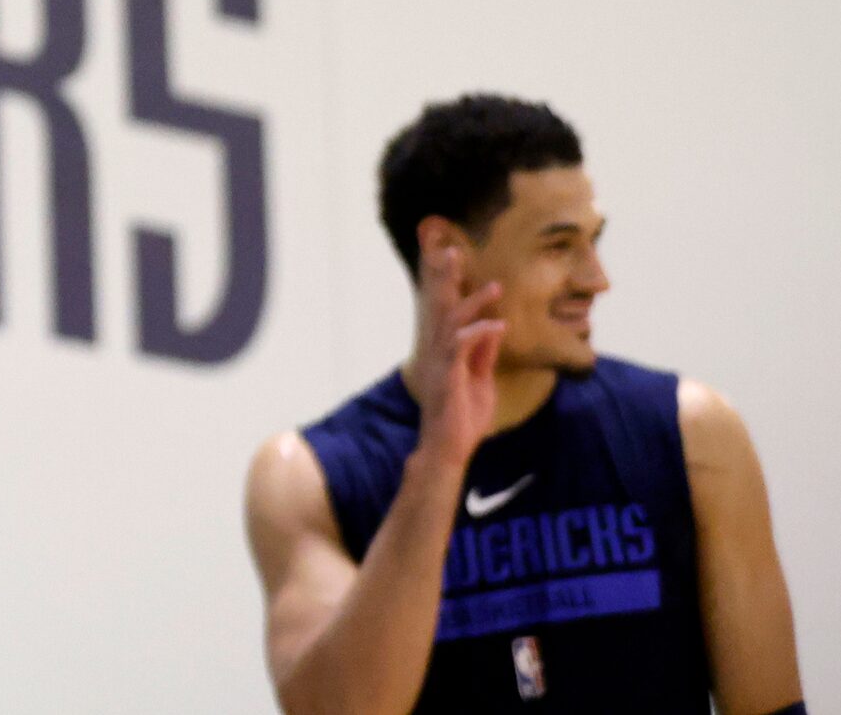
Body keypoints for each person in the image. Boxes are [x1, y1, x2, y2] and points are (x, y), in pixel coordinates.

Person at [244, 94, 805, 713]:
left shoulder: (693, 434)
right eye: (559, 245)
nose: (596, 278)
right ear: (444, 251)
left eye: (593, 240)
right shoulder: (308, 476)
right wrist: (439, 464)